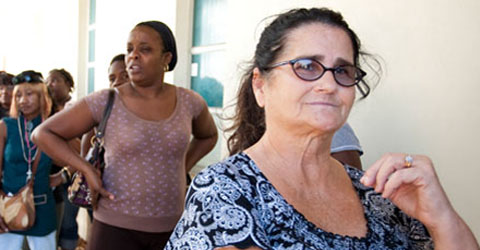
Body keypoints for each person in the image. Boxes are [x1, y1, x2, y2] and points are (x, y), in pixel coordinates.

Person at [165, 8, 479, 249]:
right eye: (306, 67)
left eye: (342, 70)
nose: (329, 84)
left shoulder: (378, 195)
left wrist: (441, 216)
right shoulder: (224, 192)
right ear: (260, 86)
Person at [32, 20, 218, 250]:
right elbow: (43, 133)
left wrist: (183, 165)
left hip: (172, 226)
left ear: (167, 58)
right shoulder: (106, 100)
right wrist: (86, 169)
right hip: (114, 227)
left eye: (145, 49)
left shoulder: (190, 102)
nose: (134, 56)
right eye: (130, 49)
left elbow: (208, 136)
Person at [0, 70, 62, 250]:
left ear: (42, 96)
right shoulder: (6, 126)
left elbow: (81, 155)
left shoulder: (54, 126)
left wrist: (62, 176)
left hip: (43, 207)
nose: (22, 100)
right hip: (8, 209)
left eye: (29, 94)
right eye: (18, 95)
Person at [45, 68, 80, 250]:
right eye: (48, 81)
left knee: (67, 223)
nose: (50, 84)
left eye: (55, 80)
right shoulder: (44, 111)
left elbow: (78, 147)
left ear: (68, 84)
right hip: (50, 177)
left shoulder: (75, 109)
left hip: (70, 175)